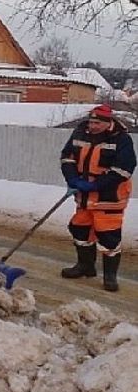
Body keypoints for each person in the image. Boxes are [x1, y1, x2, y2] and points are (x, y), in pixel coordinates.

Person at [60, 104, 135, 292]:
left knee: (108, 236)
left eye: (96, 123)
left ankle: (110, 276)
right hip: (83, 197)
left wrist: (95, 185)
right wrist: (72, 179)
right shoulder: (80, 133)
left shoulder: (121, 139)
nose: (91, 126)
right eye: (91, 122)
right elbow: (67, 157)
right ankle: (85, 266)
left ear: (107, 123)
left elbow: (123, 169)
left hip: (108, 198)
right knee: (78, 228)